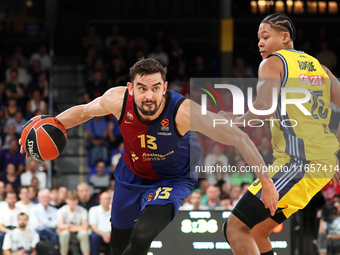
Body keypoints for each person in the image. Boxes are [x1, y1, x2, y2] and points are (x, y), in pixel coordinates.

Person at [20, 58, 277, 255]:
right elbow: (85, 112)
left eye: (156, 88)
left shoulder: (184, 112)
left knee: (142, 235)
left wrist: (267, 184)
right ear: (131, 88)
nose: (149, 95)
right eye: (142, 88)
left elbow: (239, 138)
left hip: (172, 178)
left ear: (165, 88)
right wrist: (49, 125)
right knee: (118, 244)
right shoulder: (116, 99)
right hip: (131, 173)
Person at [220, 13, 340, 255]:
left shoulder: (273, 63)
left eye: (265, 36)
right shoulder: (322, 69)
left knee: (234, 227)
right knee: (256, 230)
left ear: (285, 37)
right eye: (258, 38)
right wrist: (335, 155)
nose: (260, 43)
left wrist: (234, 121)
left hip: (299, 163)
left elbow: (263, 109)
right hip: (318, 165)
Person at [57, 190, 90, 255]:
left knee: (84, 234)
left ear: (77, 200)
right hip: (67, 232)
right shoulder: (61, 210)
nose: (72, 202)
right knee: (64, 234)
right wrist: (77, 227)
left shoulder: (83, 211)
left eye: (74, 200)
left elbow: (85, 227)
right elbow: (60, 226)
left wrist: (68, 226)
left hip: (78, 232)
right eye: (70, 200)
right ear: (66, 200)